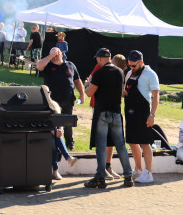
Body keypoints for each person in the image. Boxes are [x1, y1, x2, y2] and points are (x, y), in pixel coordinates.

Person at [83, 48, 133, 189]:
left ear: (99, 59)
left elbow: (89, 93)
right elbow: (123, 92)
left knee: (101, 146)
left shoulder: (98, 73)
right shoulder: (119, 72)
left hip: (102, 113)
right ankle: (128, 176)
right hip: (116, 113)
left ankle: (100, 177)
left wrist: (87, 84)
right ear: (110, 58)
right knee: (121, 146)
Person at [37, 47, 84, 151]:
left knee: (68, 123)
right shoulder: (48, 66)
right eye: (53, 54)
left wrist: (82, 95)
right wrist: (50, 56)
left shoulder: (70, 65)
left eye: (57, 53)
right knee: (52, 122)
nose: (55, 56)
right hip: (52, 101)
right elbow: (39, 66)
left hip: (67, 99)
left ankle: (70, 143)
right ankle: (53, 143)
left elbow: (77, 80)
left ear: (62, 54)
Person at [124, 50, 160, 183]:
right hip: (130, 113)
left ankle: (148, 173)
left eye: (134, 66)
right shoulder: (129, 74)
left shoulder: (151, 74)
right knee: (132, 141)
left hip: (144, 113)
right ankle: (138, 169)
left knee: (145, 143)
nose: (131, 68)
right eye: (129, 66)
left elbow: (156, 96)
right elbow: (126, 92)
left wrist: (152, 115)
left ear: (141, 62)